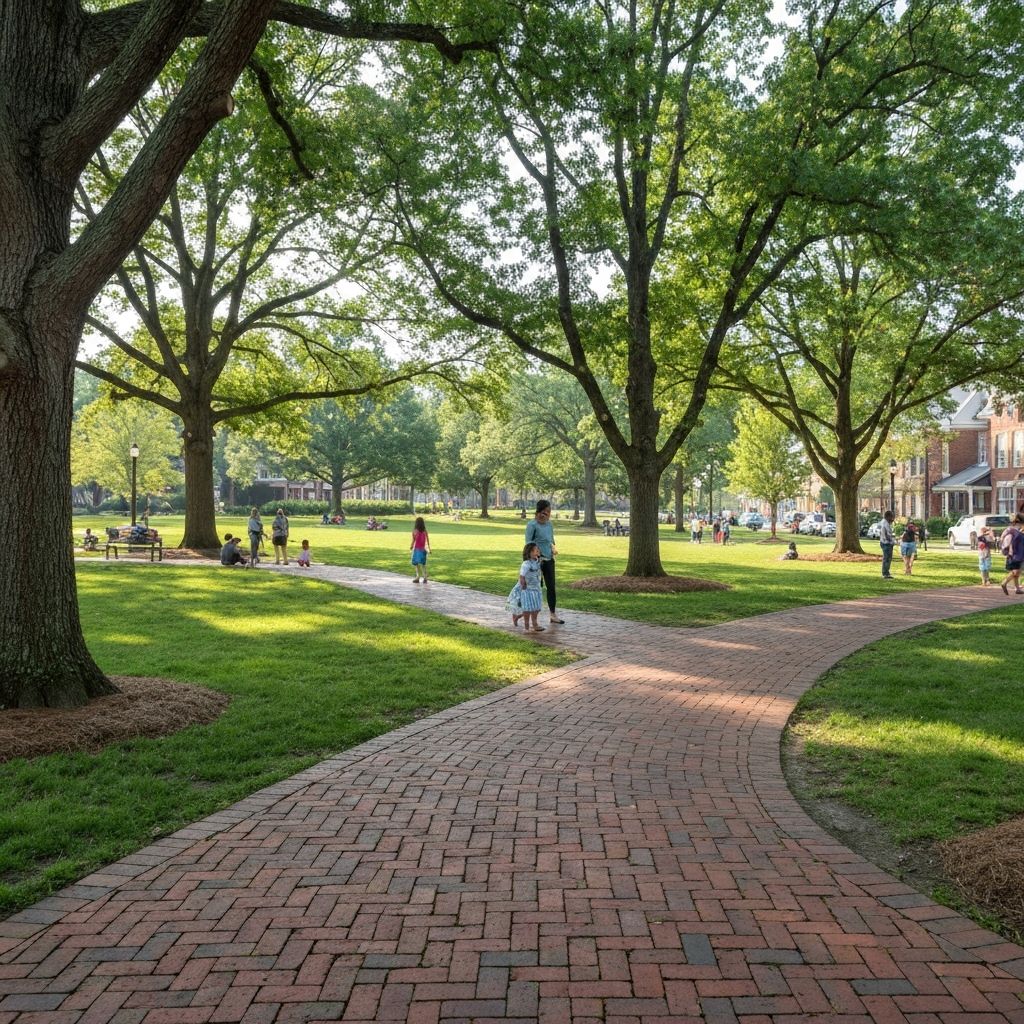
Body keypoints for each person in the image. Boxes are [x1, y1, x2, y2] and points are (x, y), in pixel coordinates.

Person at [526, 499, 565, 624]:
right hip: (537, 562)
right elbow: (528, 544)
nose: (548, 514)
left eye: (549, 512)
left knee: (551, 587)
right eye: (546, 511)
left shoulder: (549, 524)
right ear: (539, 512)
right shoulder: (532, 525)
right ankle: (533, 619)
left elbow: (551, 540)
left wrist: (553, 548)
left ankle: (553, 615)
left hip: (549, 560)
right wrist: (536, 557)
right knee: (536, 588)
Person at [507, 542, 544, 632]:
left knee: (536, 608)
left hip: (536, 589)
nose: (538, 551)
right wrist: (523, 585)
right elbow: (522, 576)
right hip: (527, 589)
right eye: (536, 550)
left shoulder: (537, 561)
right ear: (530, 553)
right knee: (527, 609)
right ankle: (526, 625)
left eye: (538, 549)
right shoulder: (526, 564)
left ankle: (535, 624)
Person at [998, 513, 1024, 595]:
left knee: (1017, 572)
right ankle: (1004, 583)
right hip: (1015, 555)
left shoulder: (1013, 530)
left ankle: (1017, 589)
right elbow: (1007, 542)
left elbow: (1002, 540)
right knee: (1016, 571)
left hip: (1016, 555)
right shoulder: (1013, 531)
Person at [410, 516, 431, 582]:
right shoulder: (425, 531)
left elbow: (413, 540)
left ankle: (418, 577)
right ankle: (425, 578)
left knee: (416, 564)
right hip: (423, 550)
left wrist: (411, 546)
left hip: (417, 550)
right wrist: (429, 549)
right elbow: (427, 541)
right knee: (423, 564)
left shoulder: (415, 531)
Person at [879, 509, 895, 579]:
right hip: (886, 543)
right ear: (888, 517)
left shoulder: (886, 523)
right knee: (887, 558)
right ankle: (885, 573)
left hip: (886, 543)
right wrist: (892, 541)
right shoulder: (885, 524)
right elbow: (886, 535)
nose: (893, 519)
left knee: (888, 558)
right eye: (892, 517)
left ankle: (886, 572)